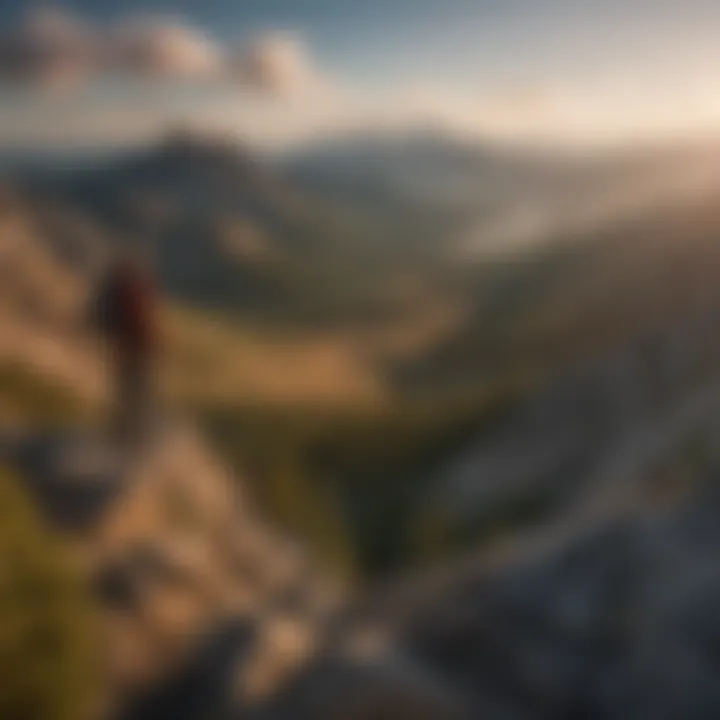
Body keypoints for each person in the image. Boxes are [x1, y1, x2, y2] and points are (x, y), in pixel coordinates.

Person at [91, 247, 158, 446]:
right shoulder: (132, 289)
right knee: (134, 391)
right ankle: (130, 433)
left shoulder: (120, 290)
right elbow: (145, 320)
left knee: (130, 392)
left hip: (129, 349)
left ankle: (127, 432)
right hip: (136, 348)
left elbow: (104, 318)